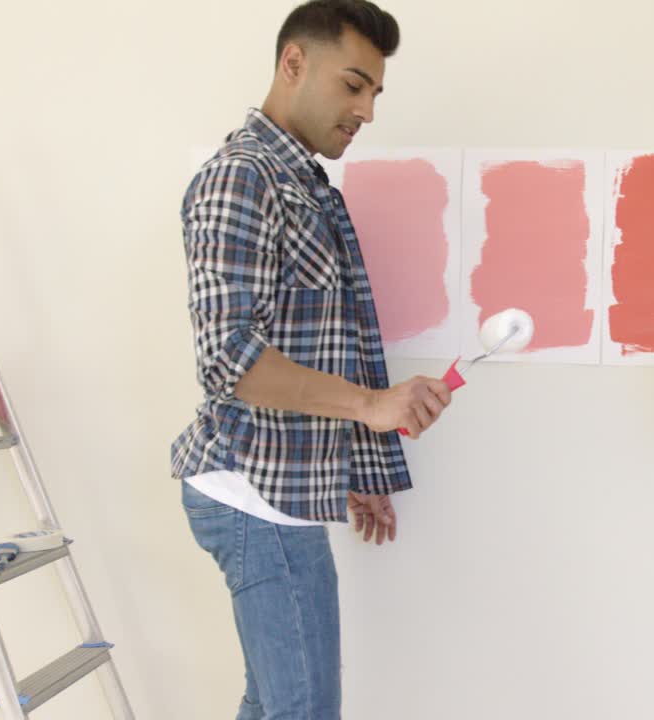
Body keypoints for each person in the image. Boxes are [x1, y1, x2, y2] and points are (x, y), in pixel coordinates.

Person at [171, 2, 451, 717]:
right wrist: (371, 406)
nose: (367, 110)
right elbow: (230, 361)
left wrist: (352, 462)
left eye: (376, 93)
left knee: (273, 706)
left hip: (279, 488)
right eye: (354, 85)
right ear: (293, 62)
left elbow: (331, 336)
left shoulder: (305, 184)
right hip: (250, 492)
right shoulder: (242, 178)